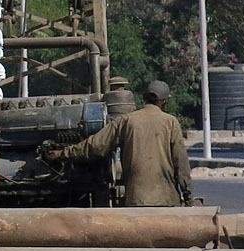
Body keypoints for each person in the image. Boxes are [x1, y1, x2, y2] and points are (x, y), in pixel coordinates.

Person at [45, 80, 192, 206]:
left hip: (136, 199)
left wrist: (62, 153)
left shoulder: (126, 121)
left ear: (143, 98)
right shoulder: (170, 122)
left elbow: (95, 145)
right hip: (165, 200)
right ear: (165, 102)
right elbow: (181, 162)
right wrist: (188, 195)